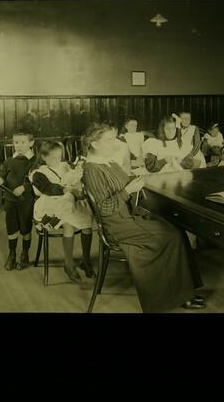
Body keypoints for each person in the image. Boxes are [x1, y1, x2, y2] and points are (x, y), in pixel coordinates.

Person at [81, 122, 206, 312]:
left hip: (127, 216)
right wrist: (128, 190)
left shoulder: (108, 162)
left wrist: (141, 179)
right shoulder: (93, 170)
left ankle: (183, 290)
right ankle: (177, 296)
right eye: (109, 140)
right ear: (95, 144)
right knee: (170, 236)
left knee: (177, 229)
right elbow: (105, 208)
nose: (115, 144)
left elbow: (122, 183)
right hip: (118, 225)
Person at [29, 141, 94, 283]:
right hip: (51, 205)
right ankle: (68, 264)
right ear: (44, 157)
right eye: (53, 158)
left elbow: (75, 178)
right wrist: (66, 189)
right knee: (69, 224)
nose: (57, 160)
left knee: (87, 223)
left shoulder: (65, 166)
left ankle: (86, 260)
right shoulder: (39, 173)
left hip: (69, 202)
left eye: (59, 157)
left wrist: (78, 172)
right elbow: (48, 188)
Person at [0, 129, 37, 271]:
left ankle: (24, 254)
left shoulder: (35, 161)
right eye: (16, 142)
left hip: (26, 199)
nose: (19, 145)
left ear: (31, 143)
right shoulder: (9, 161)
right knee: (11, 227)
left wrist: (24, 187)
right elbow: (2, 175)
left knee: (25, 227)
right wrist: (0, 180)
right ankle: (12, 254)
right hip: (10, 199)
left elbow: (37, 180)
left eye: (23, 142)